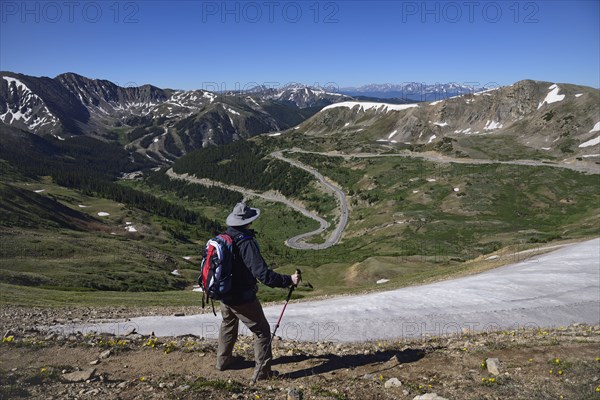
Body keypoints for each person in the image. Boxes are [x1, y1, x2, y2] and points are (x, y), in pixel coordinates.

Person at [216, 202, 300, 382]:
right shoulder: (245, 242)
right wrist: (288, 280)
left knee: (228, 323)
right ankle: (263, 373)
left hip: (225, 293)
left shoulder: (224, 237)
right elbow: (264, 275)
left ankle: (223, 361)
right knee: (262, 331)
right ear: (248, 221)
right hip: (242, 296)